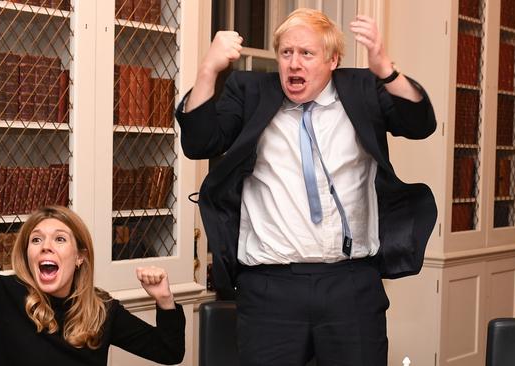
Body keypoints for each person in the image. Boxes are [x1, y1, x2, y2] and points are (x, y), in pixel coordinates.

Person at [176, 8, 437, 366]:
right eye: (286, 53)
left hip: (351, 285)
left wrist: (386, 70)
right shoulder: (250, 92)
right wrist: (208, 70)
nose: (293, 64)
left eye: (306, 54)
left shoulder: (362, 89)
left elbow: (419, 123)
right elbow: (199, 143)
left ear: (333, 60)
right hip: (269, 288)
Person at [0, 205, 185, 366]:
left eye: (59, 239)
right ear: (27, 254)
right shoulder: (4, 294)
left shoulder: (101, 310)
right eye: (36, 239)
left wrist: (165, 300)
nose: (46, 247)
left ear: (80, 257)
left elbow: (169, 352)